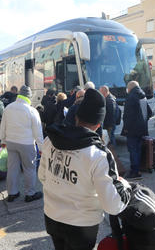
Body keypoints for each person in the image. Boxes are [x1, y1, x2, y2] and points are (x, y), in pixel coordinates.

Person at [39, 88, 132, 250]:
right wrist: (126, 186)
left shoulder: (50, 140)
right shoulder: (99, 155)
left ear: (76, 117)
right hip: (81, 225)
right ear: (98, 125)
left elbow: (43, 177)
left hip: (52, 216)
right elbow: (113, 205)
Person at [0, 86, 44, 202]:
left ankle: (12, 193)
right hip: (26, 143)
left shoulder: (9, 107)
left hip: (10, 142)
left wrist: (3, 140)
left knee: (12, 168)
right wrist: (41, 148)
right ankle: (30, 194)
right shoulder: (31, 110)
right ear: (29, 97)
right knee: (29, 168)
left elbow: (3, 126)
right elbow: (38, 132)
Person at [122, 81, 153, 179]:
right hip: (142, 129)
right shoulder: (143, 96)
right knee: (138, 149)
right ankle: (137, 168)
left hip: (132, 129)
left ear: (129, 88)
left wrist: (126, 129)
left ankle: (135, 171)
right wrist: (143, 122)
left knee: (132, 150)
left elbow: (127, 116)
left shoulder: (131, 97)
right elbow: (150, 112)